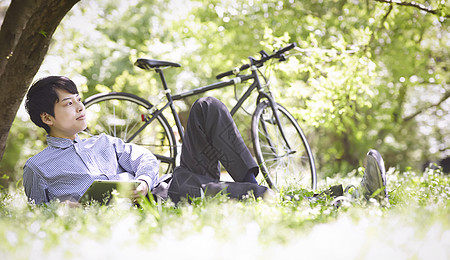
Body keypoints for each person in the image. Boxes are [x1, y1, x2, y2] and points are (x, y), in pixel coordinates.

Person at [23, 76, 388, 206]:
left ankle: (252, 184)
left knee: (208, 106)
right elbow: (39, 214)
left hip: (167, 186)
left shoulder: (104, 142)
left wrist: (145, 180)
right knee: (249, 196)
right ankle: (353, 198)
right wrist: (64, 210)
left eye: (80, 100)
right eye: (69, 104)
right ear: (47, 117)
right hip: (159, 205)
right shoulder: (38, 169)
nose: (80, 108)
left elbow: (145, 160)